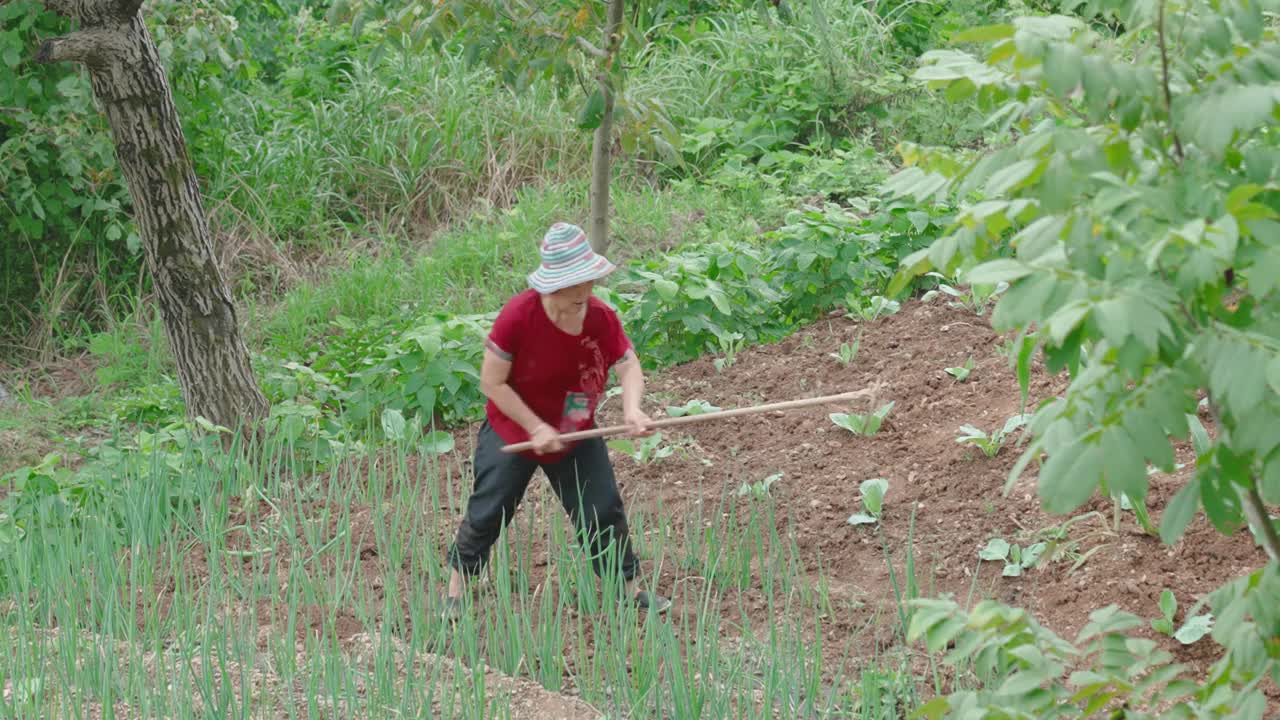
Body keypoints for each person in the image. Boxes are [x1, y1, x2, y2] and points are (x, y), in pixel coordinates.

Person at [443, 222, 672, 619]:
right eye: (574, 284)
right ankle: (456, 590)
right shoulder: (518, 316)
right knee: (489, 508)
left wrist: (633, 409)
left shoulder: (599, 316)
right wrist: (534, 427)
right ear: (551, 286)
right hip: (514, 423)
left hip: (574, 417)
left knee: (602, 509)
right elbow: (491, 382)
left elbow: (628, 364)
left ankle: (628, 590)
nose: (585, 291)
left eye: (588, 281)